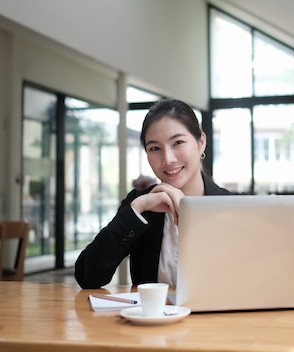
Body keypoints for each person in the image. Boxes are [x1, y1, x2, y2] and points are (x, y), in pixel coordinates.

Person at [75, 99, 232, 289]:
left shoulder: (232, 207)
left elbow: (240, 284)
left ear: (201, 142)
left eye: (178, 142)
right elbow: (87, 276)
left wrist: (194, 223)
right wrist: (136, 209)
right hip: (152, 318)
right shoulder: (141, 205)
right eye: (155, 148)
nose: (168, 159)